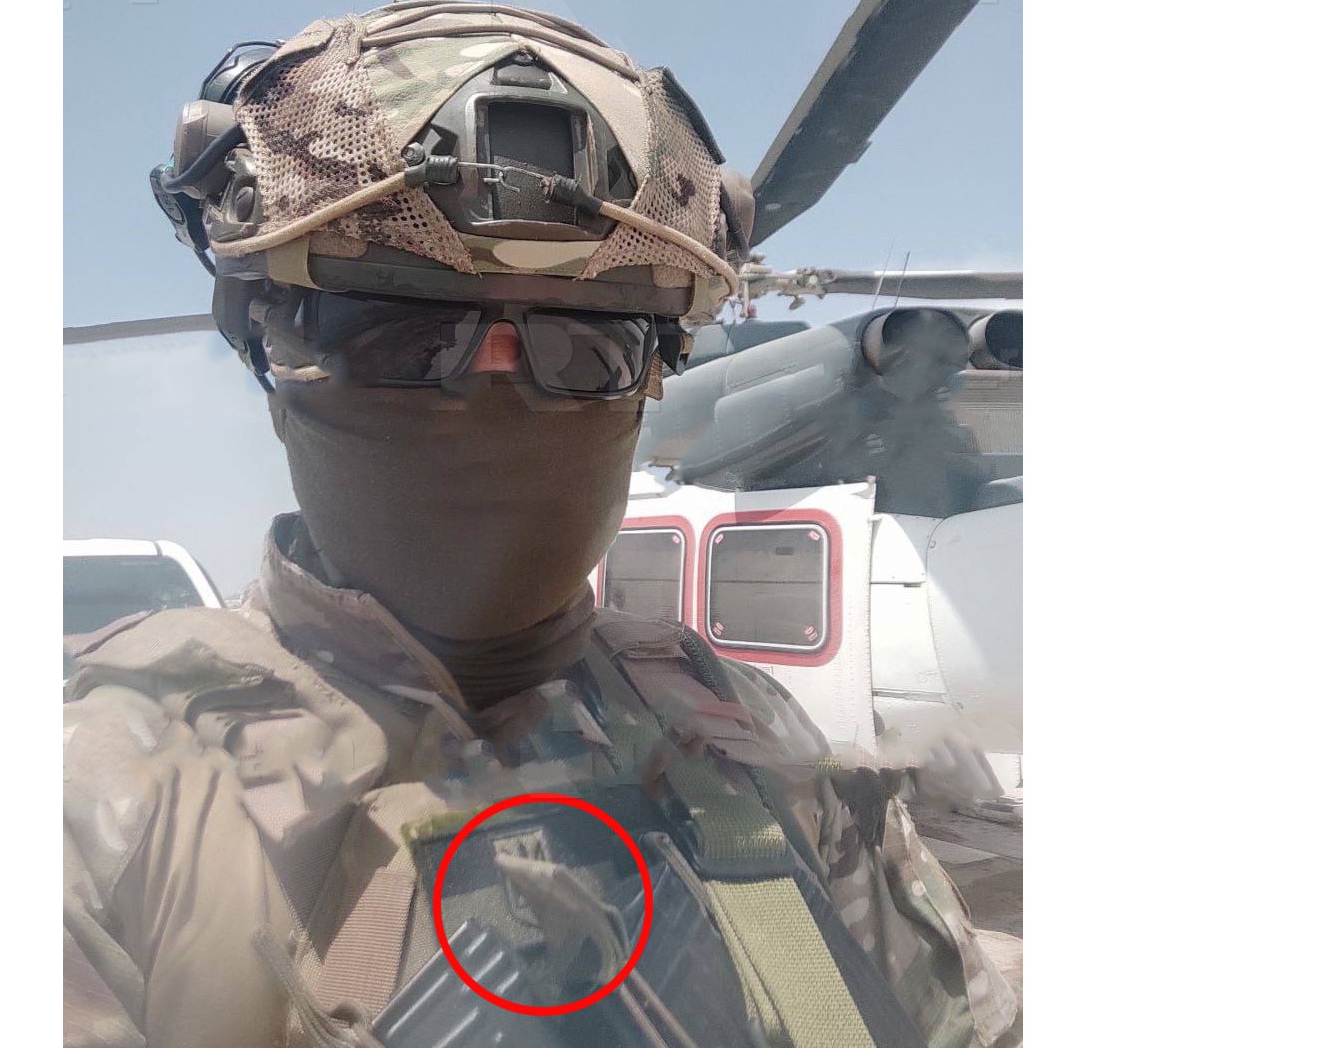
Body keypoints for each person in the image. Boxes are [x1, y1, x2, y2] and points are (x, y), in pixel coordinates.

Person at [65, 5, 1022, 1047]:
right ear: (268, 350)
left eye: (584, 347)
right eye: (403, 335)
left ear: (649, 377)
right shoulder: (102, 797)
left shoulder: (738, 736)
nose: (496, 390)